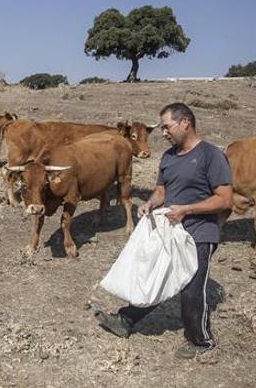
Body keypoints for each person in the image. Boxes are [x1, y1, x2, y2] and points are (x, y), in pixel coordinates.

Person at [94, 102, 233, 359]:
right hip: (170, 230)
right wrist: (149, 203)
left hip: (199, 232)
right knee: (156, 275)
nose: (164, 133)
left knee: (191, 287)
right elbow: (161, 191)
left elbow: (225, 199)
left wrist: (187, 210)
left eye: (167, 127)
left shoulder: (211, 155)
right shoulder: (169, 157)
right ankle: (125, 320)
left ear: (185, 123)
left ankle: (201, 341)